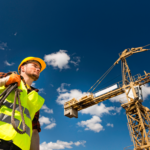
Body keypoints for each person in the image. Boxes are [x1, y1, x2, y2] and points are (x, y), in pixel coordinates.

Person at [0, 57, 46, 150]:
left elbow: (34, 131)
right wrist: (5, 81)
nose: (38, 69)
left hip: (20, 147)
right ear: (23, 68)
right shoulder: (6, 77)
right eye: (35, 65)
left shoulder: (36, 98)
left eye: (39, 69)